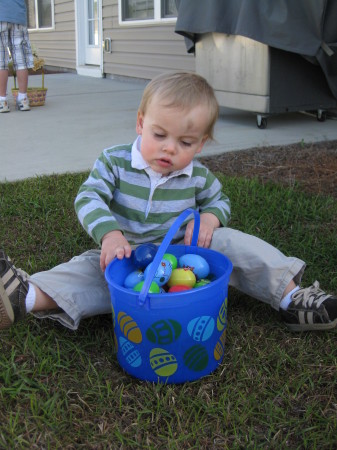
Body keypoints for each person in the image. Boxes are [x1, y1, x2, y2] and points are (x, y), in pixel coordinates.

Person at [0, 72, 336, 332]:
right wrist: (109, 234)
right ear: (141, 123)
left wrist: (209, 220)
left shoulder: (198, 175)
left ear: (201, 144)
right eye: (159, 135)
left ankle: (293, 298)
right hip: (126, 256)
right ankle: (26, 296)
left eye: (185, 141)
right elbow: (88, 197)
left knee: (233, 242)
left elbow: (220, 200)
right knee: (88, 272)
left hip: (184, 254)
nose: (169, 149)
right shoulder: (115, 162)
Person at [0, 0, 34, 113]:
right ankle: (23, 99)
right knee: (21, 59)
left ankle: (2, 101)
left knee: (1, 60)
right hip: (18, 14)